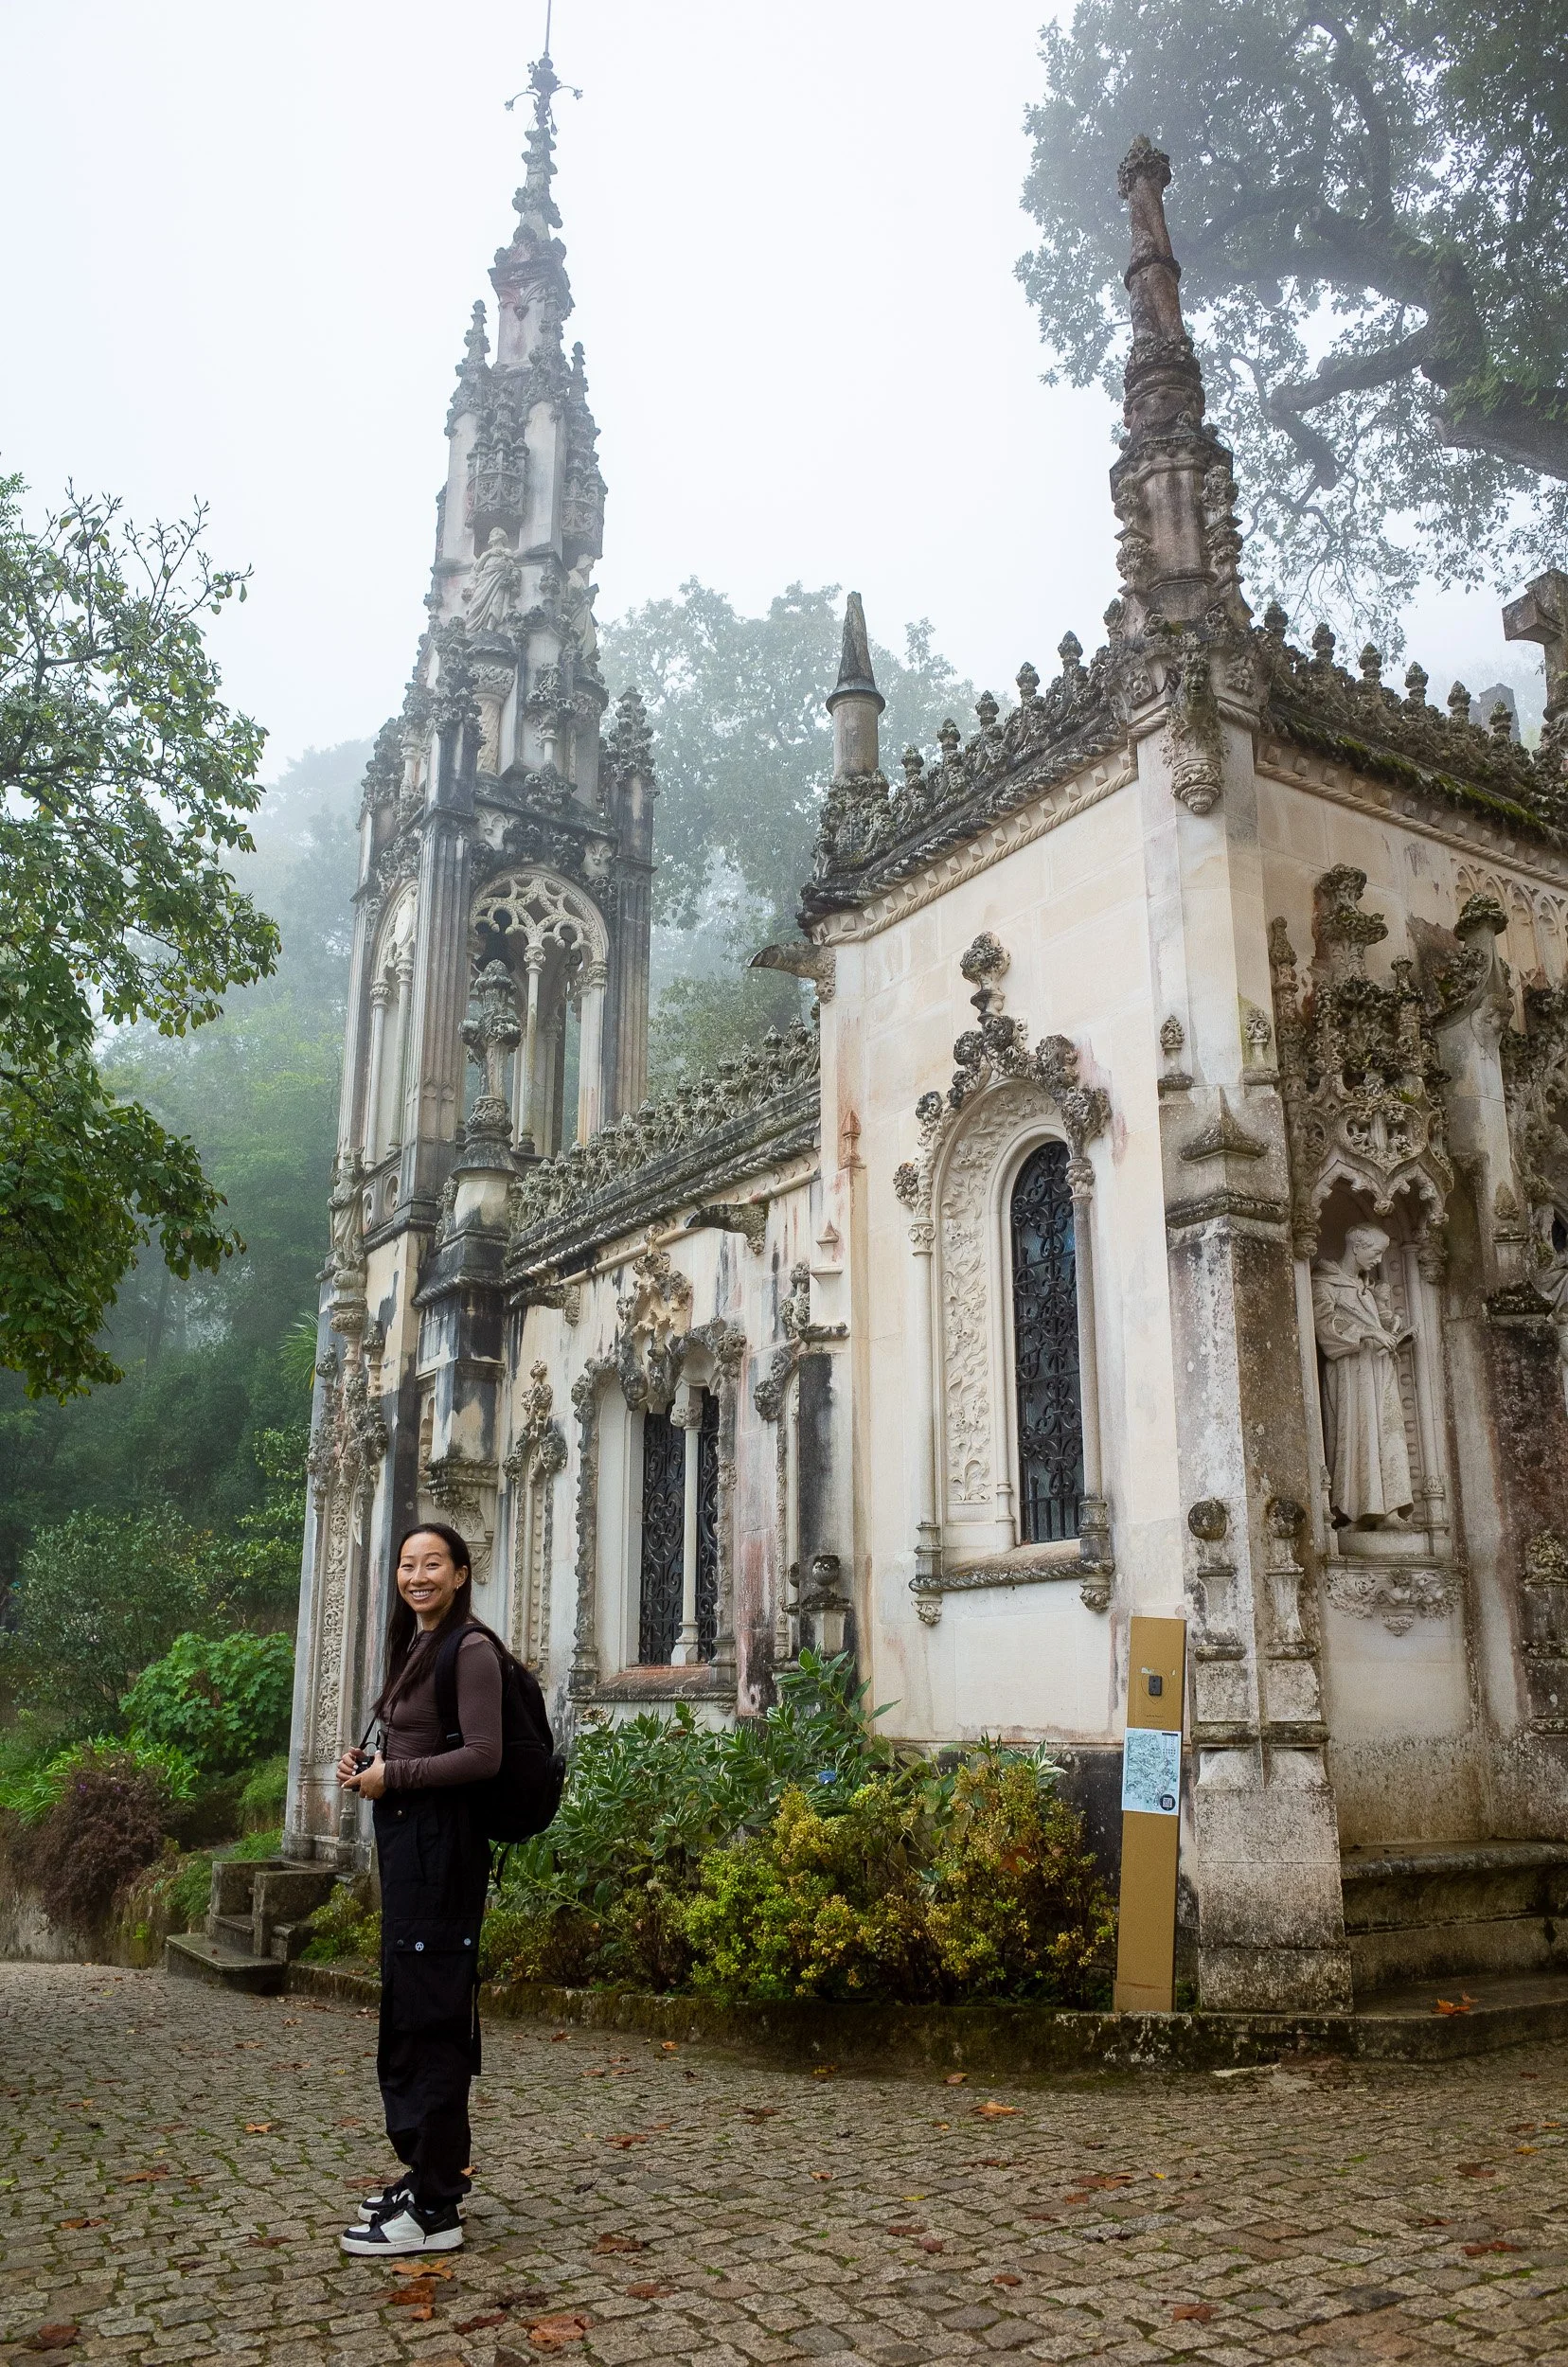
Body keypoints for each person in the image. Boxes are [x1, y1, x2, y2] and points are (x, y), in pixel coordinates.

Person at [334, 1522, 503, 2257]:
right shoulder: (414, 1646)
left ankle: (437, 2208)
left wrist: (393, 1777)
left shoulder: (469, 1651)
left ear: (462, 1574)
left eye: (434, 1563)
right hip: (409, 1849)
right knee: (408, 2008)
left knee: (433, 2018)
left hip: (443, 1855)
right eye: (408, 1563)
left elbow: (484, 1757)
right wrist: (371, 1759)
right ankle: (423, 2173)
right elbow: (417, 1742)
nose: (418, 1575)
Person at [1310, 1223, 1415, 1527]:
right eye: (1375, 1252)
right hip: (1351, 1373)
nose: (1380, 1260)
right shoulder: (1325, 1283)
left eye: (1383, 1253)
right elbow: (1324, 1326)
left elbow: (1371, 1318)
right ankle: (1358, 1510)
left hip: (1379, 1369)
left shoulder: (1363, 1285)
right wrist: (1367, 1332)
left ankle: (1391, 1510)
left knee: (1388, 1434)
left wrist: (1388, 1325)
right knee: (1361, 1435)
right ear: (1356, 1247)